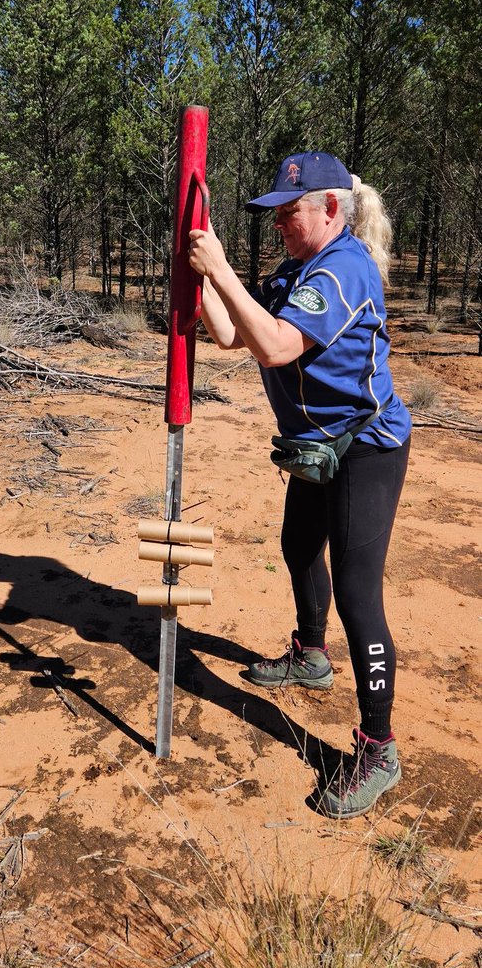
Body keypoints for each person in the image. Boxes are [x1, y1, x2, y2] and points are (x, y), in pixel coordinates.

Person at [188, 151, 411, 819]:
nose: (281, 223)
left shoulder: (343, 268)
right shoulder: (294, 271)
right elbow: (234, 334)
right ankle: (310, 655)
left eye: (292, 211)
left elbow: (281, 346)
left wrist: (219, 267)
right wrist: (196, 280)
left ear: (331, 208)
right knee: (295, 547)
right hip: (317, 447)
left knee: (359, 594)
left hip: (366, 449)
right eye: (276, 213)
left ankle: (378, 747)